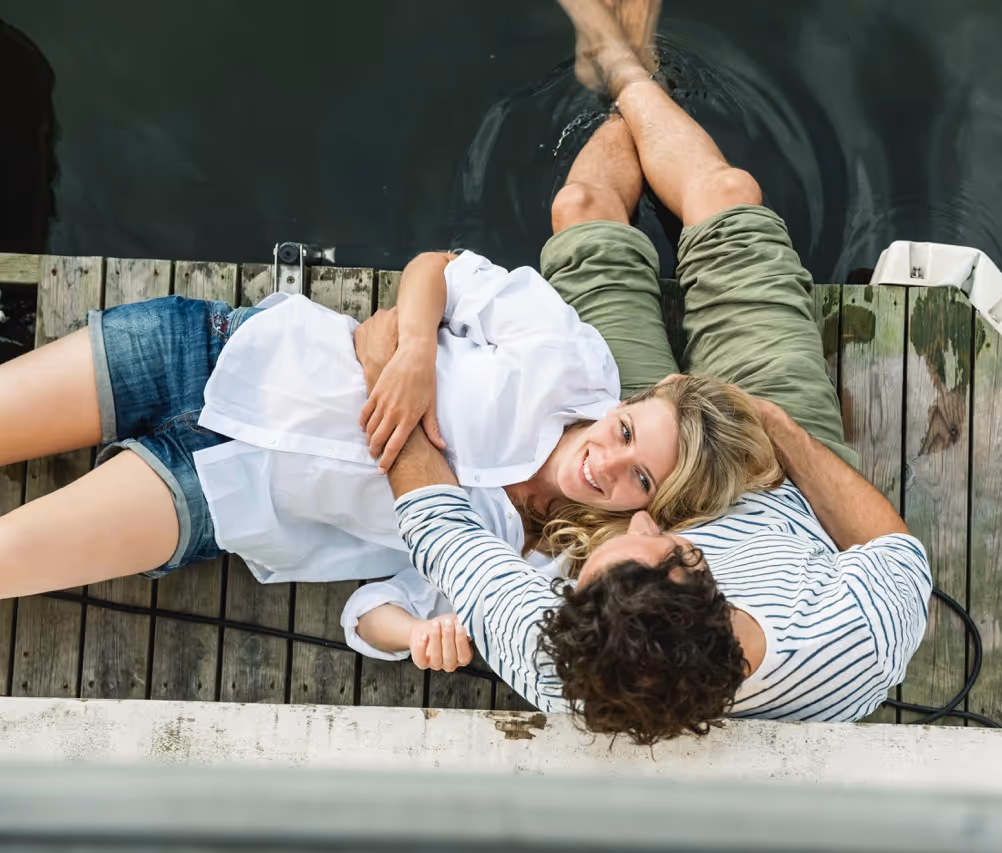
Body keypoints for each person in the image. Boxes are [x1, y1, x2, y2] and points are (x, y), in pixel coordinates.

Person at [369, 0, 932, 745]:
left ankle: (618, 69)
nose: (649, 513)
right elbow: (892, 550)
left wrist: (393, 360)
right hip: (775, 477)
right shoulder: (849, 641)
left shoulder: (557, 654)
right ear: (712, 581)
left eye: (608, 552)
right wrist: (775, 424)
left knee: (580, 209)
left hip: (630, 461)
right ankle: (632, 68)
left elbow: (438, 520)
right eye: (667, 540)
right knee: (728, 200)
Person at [0, 248, 780, 604]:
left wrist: (421, 637)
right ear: (631, 401)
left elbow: (393, 604)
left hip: (219, 494)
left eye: (639, 477)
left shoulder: (540, 561)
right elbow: (436, 267)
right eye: (625, 429)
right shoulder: (568, 358)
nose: (607, 461)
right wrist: (411, 349)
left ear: (650, 506)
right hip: (214, 350)